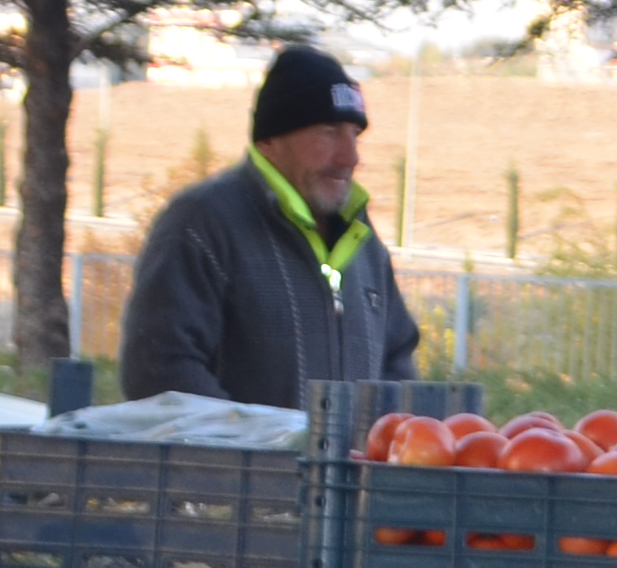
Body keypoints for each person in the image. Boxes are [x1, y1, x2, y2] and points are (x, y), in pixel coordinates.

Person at [119, 45, 420, 411]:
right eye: (328, 132)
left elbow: (397, 364)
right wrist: (262, 451)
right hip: (238, 469)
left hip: (345, 470)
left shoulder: (363, 241)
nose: (350, 157)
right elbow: (160, 369)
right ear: (269, 140)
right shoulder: (202, 223)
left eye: (354, 134)